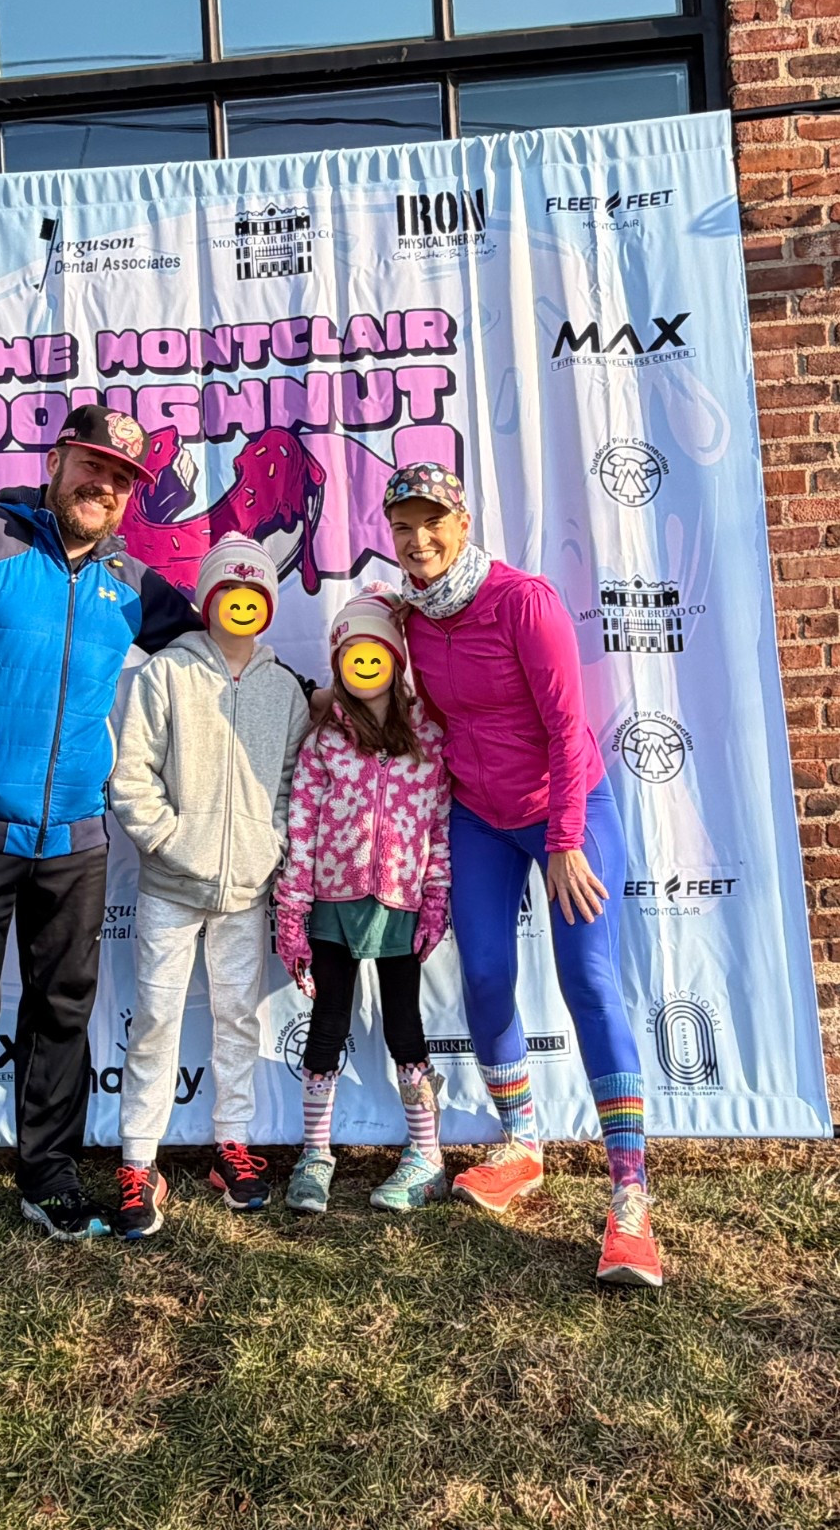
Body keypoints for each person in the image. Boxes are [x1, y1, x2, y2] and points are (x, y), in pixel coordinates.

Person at [0, 405, 207, 1276]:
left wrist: (311, 692)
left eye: (122, 478)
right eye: (92, 466)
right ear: (56, 461)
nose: (104, 486)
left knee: (62, 1009)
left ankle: (47, 1175)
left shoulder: (131, 582)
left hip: (75, 836)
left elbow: (214, 650)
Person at [383, 462, 662, 1287]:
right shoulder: (412, 617)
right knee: (482, 973)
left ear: (463, 524)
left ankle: (629, 1198)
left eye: (433, 522)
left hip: (564, 813)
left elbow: (566, 727)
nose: (419, 540)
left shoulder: (523, 601)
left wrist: (566, 840)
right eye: (403, 527)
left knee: (587, 980)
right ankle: (520, 1144)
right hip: (478, 815)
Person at [107, 533, 308, 1238]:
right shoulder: (166, 672)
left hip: (246, 892)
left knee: (237, 1018)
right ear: (208, 598)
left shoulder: (284, 690)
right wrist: (170, 841)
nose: (241, 603)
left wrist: (268, 845)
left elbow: (290, 784)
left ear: (268, 603)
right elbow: (131, 773)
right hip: (170, 886)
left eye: (254, 592)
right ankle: (139, 1161)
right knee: (156, 1020)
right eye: (229, 590)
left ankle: (232, 1147)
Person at [274, 586, 452, 1215]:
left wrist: (436, 897)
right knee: (328, 1024)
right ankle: (315, 1154)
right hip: (332, 904)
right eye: (354, 655)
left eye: (377, 653)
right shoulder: (324, 740)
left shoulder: (426, 737)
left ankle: (426, 1153)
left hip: (401, 902)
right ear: (339, 664)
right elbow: (301, 825)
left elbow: (438, 825)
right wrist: (292, 911)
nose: (366, 665)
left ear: (395, 661)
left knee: (406, 1027)